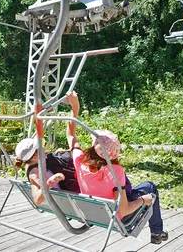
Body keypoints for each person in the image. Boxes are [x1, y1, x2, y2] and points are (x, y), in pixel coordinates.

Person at [65, 91, 169, 244]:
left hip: (92, 212)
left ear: (94, 147)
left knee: (136, 188)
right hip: (115, 216)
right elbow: (124, 210)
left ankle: (157, 232)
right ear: (114, 154)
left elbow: (70, 135)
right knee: (149, 187)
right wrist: (142, 200)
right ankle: (157, 232)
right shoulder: (115, 171)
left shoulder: (80, 161)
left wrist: (75, 108)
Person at [15, 138, 80, 205]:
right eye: (40, 146)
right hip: (69, 202)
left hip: (66, 199)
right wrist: (49, 182)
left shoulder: (35, 164)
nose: (43, 147)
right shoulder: (35, 174)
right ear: (35, 156)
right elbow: (37, 200)